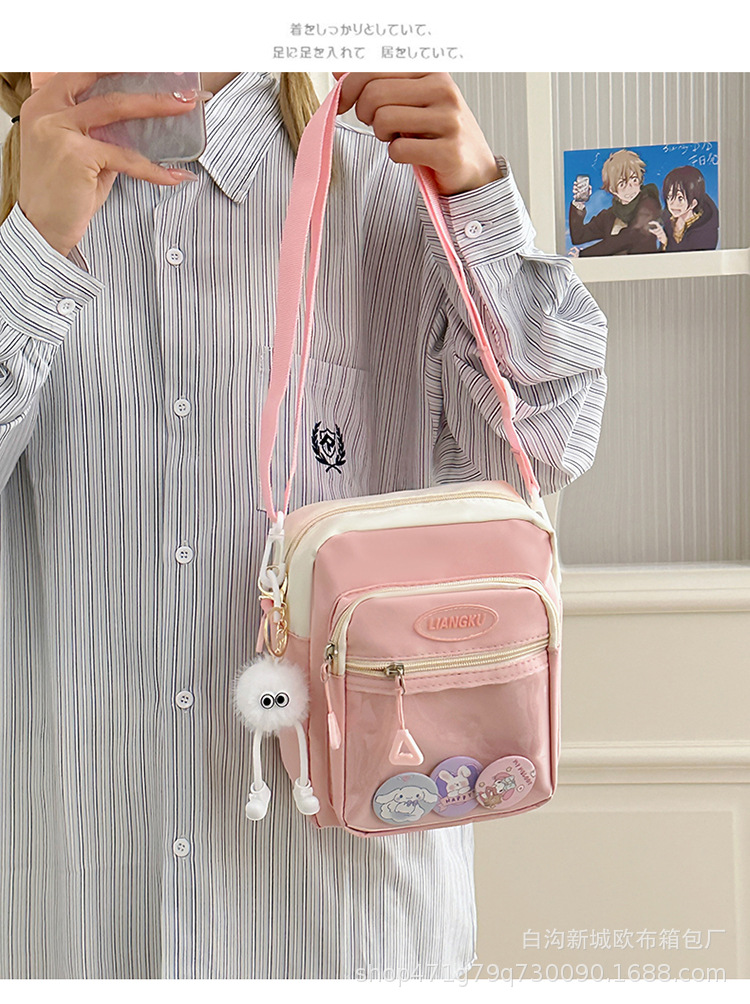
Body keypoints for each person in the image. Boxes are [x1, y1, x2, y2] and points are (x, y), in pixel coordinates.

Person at [0, 71, 608, 979]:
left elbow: (547, 445)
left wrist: (478, 202)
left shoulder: (387, 184)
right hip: (76, 916)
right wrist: (31, 257)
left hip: (341, 929)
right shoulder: (16, 221)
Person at [568, 148, 661, 257]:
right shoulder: (609, 216)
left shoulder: (649, 202)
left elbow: (630, 236)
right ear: (612, 190)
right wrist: (580, 202)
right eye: (622, 184)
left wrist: (584, 254)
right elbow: (579, 236)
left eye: (634, 179)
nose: (630, 187)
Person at [648, 164, 719, 251]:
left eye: (680, 198)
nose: (673, 204)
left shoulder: (706, 231)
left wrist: (666, 241)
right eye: (669, 197)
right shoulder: (669, 221)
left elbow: (691, 257)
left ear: (693, 203)